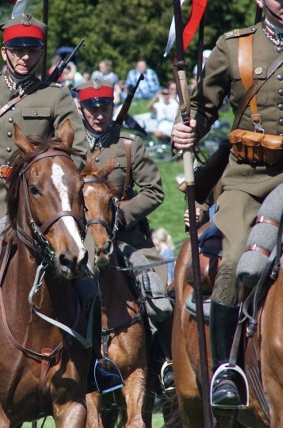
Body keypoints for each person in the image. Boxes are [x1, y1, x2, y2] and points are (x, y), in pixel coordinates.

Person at [0, 13, 123, 406]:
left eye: (32, 50)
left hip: (42, 208)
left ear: (40, 53)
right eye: (17, 49)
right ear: (4, 52)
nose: (24, 57)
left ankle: (95, 364)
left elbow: (80, 153)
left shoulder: (56, 96)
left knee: (86, 276)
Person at [170, 0, 283, 409]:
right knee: (236, 259)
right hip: (246, 181)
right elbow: (202, 107)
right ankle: (225, 370)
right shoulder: (233, 47)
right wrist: (187, 130)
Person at [74, 79, 173, 392]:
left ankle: (166, 362)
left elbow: (155, 191)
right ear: (82, 109)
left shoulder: (129, 145)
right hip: (78, 241)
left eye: (104, 108)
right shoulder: (68, 146)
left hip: (128, 240)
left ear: (112, 107)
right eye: (92, 109)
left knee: (160, 295)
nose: (99, 114)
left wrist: (118, 215)